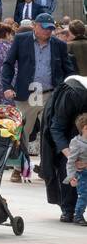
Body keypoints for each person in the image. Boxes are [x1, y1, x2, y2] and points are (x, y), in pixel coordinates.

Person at [2, 12, 74, 160]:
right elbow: (8, 64)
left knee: (49, 130)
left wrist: (65, 89)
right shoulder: (21, 40)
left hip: (50, 93)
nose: (48, 31)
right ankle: (18, 167)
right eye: (44, 28)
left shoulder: (59, 44)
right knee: (22, 130)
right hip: (27, 92)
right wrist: (7, 86)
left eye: (50, 28)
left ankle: (46, 166)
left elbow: (68, 69)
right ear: (34, 26)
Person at [39, 78, 87, 224]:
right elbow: (56, 128)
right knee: (67, 161)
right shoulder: (72, 94)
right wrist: (73, 157)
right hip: (60, 121)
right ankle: (68, 209)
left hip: (82, 124)